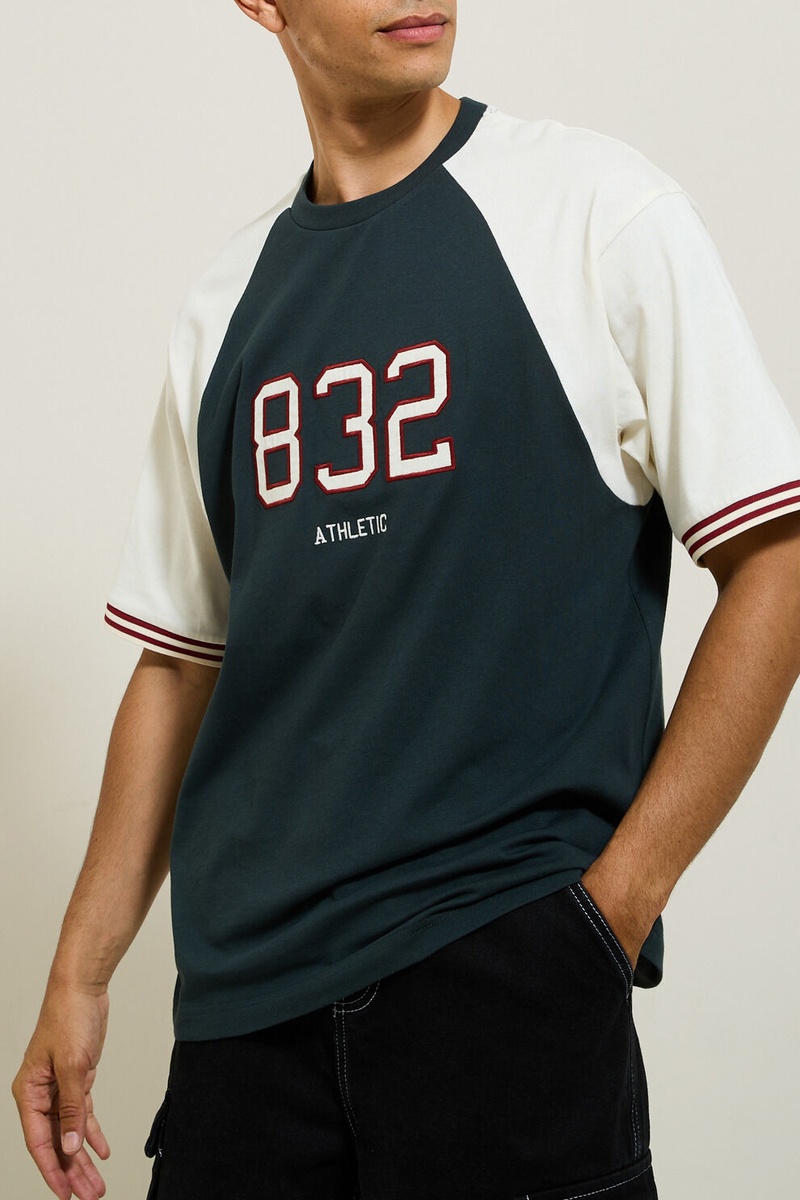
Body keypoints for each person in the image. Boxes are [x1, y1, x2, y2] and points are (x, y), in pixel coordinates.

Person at [12, 3, 800, 1198]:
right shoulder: (225, 306)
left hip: (504, 980)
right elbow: (178, 665)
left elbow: (775, 557)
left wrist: (613, 909)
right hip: (242, 1028)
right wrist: (78, 973)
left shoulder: (594, 211)